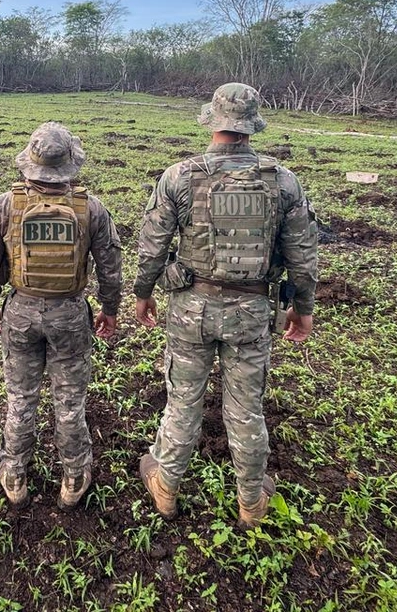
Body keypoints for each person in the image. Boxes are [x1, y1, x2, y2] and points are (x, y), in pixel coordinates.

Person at [134, 83, 318, 528]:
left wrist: (141, 295)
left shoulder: (179, 176)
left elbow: (152, 246)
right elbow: (302, 254)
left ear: (212, 121)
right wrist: (303, 307)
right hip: (253, 313)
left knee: (182, 400)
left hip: (190, 311)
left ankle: (167, 485)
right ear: (252, 125)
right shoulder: (282, 181)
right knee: (246, 408)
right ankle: (251, 500)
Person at [0, 122, 123, 510]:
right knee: (70, 401)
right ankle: (74, 476)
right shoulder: (91, 208)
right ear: (71, 164)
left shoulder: (4, 206)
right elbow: (110, 266)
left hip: (20, 311)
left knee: (20, 398)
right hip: (71, 315)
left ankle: (14, 473)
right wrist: (109, 310)